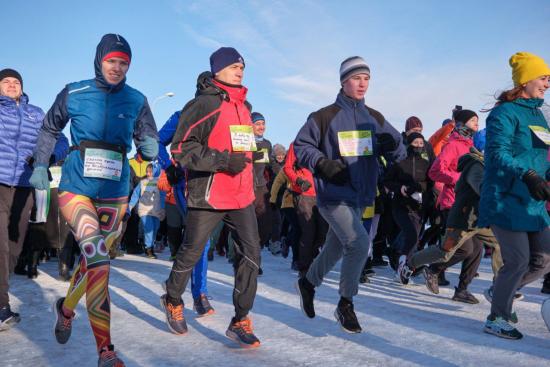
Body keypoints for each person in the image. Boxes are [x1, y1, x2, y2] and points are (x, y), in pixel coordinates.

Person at [29, 34, 159, 366]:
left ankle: (66, 308)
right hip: (77, 188)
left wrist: (149, 146)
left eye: (123, 63)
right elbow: (49, 128)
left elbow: (147, 134)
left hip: (116, 191)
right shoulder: (75, 91)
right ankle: (106, 350)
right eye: (111, 60)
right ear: (99, 60)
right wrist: (41, 164)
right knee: (99, 259)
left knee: (93, 263)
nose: (117, 67)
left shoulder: (136, 99)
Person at [294, 56, 405, 333]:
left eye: (366, 78)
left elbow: (399, 150)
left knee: (335, 246)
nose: (362, 83)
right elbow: (301, 146)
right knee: (358, 243)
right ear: (344, 81)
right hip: (333, 194)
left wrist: (391, 145)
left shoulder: (375, 118)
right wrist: (323, 163)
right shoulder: (324, 116)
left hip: (361, 195)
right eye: (357, 78)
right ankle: (345, 303)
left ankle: (308, 282)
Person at [161, 47, 261, 348]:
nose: (239, 69)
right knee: (191, 251)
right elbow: (180, 148)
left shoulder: (244, 107)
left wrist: (250, 178)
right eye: (233, 65)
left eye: (242, 65)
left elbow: (245, 150)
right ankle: (173, 297)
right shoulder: (203, 104)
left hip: (241, 195)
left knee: (251, 256)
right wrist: (221, 161)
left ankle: (240, 319)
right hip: (210, 193)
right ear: (217, 70)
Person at [479, 52, 550, 340]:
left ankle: (500, 291)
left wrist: (544, 174)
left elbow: (539, 155)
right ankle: (497, 316)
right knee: (518, 260)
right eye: (544, 78)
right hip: (505, 196)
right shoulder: (504, 113)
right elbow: (497, 153)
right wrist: (528, 175)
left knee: (544, 258)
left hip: (531, 199)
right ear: (525, 80)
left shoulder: (538, 116)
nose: (547, 84)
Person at [401, 147, 502, 304]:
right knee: (445, 252)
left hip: (479, 220)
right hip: (462, 220)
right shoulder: (477, 166)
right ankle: (411, 263)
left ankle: (500, 287)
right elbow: (481, 187)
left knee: (499, 242)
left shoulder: (492, 168)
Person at [0, 68, 45, 331]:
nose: (11, 85)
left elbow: (55, 138)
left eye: (16, 82)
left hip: (24, 185)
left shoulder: (35, 113)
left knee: (15, 245)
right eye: (5, 82)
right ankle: (2, 306)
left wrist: (47, 158)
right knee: (1, 244)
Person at [384, 132, 433, 284]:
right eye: (415, 143)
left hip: (418, 207)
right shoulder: (400, 163)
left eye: (421, 143)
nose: (418, 146)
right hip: (400, 205)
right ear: (409, 144)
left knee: (414, 239)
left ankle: (403, 265)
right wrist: (401, 188)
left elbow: (430, 184)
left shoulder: (426, 164)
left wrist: (419, 187)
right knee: (411, 235)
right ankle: (401, 268)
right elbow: (386, 181)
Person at [284, 143, 327, 276]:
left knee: (323, 233)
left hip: (323, 193)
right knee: (308, 231)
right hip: (304, 194)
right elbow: (287, 168)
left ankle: (309, 258)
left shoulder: (325, 142)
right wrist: (299, 181)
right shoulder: (297, 144)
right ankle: (304, 268)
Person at [127, 164, 165, 259]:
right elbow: (136, 194)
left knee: (155, 228)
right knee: (149, 228)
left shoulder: (160, 182)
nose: (148, 173)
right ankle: (149, 249)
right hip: (144, 209)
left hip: (156, 210)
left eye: (150, 172)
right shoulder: (142, 182)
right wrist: (130, 206)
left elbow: (163, 196)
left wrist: (163, 209)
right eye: (147, 171)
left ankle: (149, 245)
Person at [251, 112, 275, 253]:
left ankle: (257, 249)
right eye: (258, 124)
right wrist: (253, 155)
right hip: (247, 186)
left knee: (265, 221)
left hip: (261, 186)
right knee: (248, 223)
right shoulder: (245, 141)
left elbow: (269, 164)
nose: (261, 127)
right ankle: (245, 256)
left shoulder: (267, 144)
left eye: (263, 123)